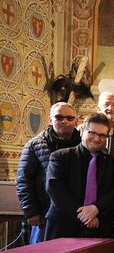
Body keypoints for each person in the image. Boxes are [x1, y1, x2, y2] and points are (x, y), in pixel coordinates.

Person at [44, 113, 114, 240]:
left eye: (102, 135)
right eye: (92, 133)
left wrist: (96, 208)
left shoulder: (111, 163)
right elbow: (54, 187)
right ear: (82, 131)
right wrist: (84, 215)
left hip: (100, 225)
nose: (97, 139)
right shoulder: (61, 157)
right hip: (64, 225)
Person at [17, 102, 81, 243]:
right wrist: (32, 212)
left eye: (70, 118)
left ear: (76, 121)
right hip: (45, 214)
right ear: (50, 120)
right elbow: (24, 180)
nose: (64, 121)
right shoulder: (34, 145)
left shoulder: (83, 145)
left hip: (77, 215)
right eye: (59, 117)